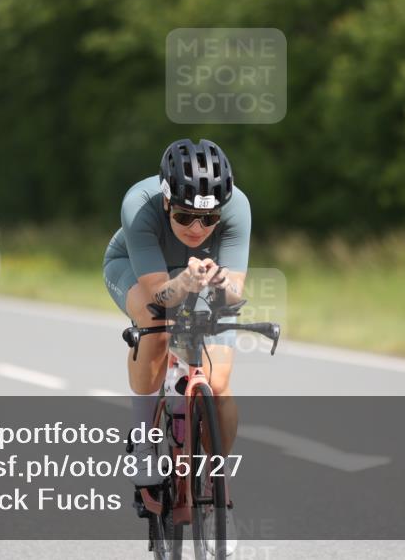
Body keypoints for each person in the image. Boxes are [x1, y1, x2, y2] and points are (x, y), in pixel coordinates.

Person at [103, 139, 249, 555]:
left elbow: (237, 295)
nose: (198, 229)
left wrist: (223, 286)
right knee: (157, 325)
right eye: (185, 216)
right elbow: (157, 296)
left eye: (209, 219)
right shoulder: (140, 203)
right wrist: (183, 282)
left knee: (218, 384)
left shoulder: (238, 206)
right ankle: (144, 440)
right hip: (138, 272)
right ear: (167, 202)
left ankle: (214, 488)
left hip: (202, 276)